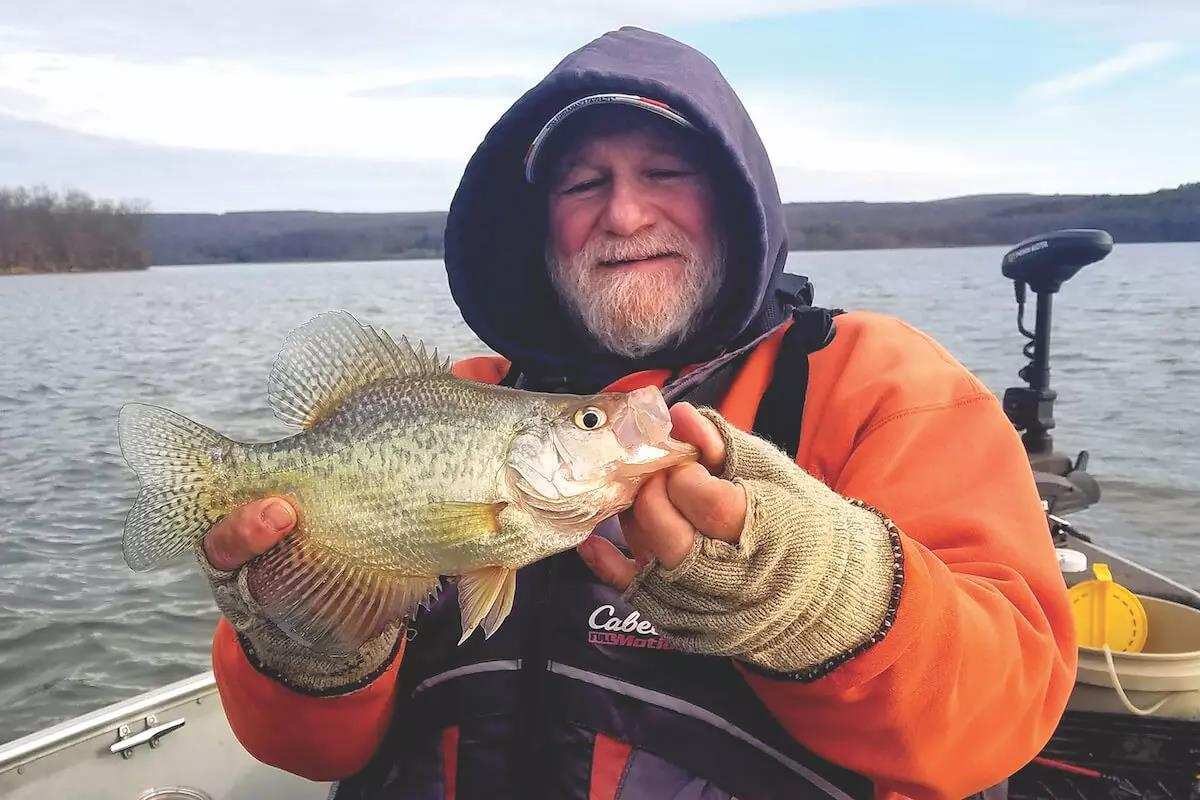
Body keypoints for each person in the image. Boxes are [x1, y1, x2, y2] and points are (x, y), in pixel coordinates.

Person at [199, 27, 1076, 800]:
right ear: (538, 226)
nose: (624, 212)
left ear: (736, 201)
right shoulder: (465, 395)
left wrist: (816, 593)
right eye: (584, 184)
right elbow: (303, 752)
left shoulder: (873, 381)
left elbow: (992, 729)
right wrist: (306, 635)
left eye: (666, 172)